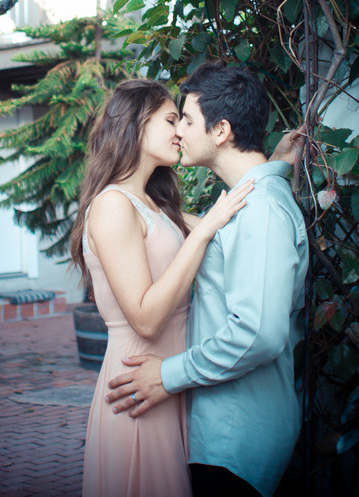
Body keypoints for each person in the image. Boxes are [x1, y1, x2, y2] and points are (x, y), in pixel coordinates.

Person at [106, 64, 309, 497]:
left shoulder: (263, 212)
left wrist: (168, 374)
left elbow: (258, 333)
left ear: (220, 131)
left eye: (186, 119)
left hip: (236, 438)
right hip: (218, 429)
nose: (178, 131)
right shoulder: (249, 203)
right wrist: (274, 166)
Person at [70, 79, 256, 497]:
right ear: (137, 124)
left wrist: (270, 168)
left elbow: (230, 229)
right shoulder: (113, 204)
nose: (181, 131)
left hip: (168, 380)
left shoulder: (153, 203)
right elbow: (146, 319)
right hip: (138, 382)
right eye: (172, 119)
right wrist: (202, 231)